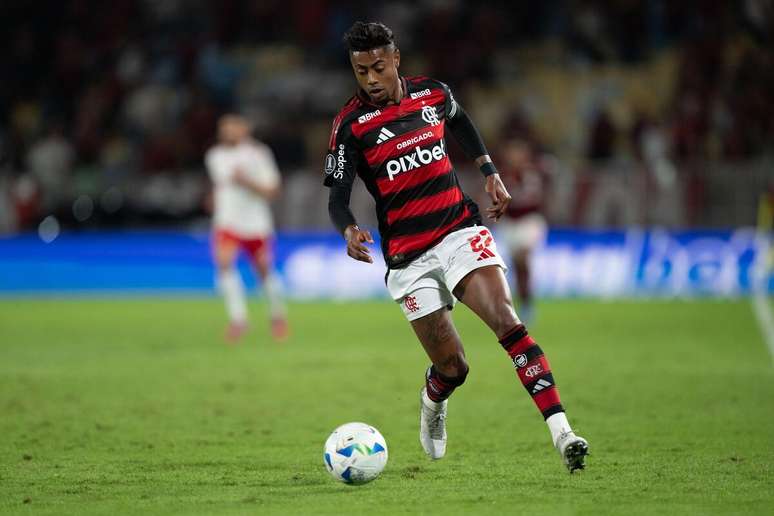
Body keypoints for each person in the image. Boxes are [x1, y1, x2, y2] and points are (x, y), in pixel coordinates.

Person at [324, 22, 589, 472]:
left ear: (396, 59)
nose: (370, 78)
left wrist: (489, 170)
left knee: (508, 321)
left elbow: (460, 120)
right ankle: (433, 400)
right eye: (361, 70)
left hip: (459, 231)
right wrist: (348, 228)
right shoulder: (350, 125)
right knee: (454, 368)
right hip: (408, 256)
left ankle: (563, 433)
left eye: (378, 67)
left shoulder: (433, 94)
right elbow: (336, 195)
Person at [205, 114, 288, 342]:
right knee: (223, 263)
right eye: (224, 128)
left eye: (233, 127)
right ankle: (238, 320)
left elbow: (273, 190)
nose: (228, 132)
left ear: (244, 129)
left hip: (255, 223)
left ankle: (277, 315)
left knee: (263, 270)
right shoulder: (214, 156)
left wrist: (247, 182)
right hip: (227, 221)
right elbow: (221, 186)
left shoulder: (259, 154)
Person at [497, 139, 550, 324]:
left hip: (529, 222)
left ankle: (527, 305)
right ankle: (524, 303)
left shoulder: (532, 173)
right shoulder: (501, 175)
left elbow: (535, 199)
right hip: (510, 224)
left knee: (523, 258)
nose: (515, 157)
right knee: (516, 266)